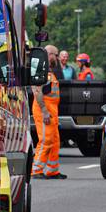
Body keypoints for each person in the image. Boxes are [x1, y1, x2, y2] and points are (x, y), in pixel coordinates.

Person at [33, 45, 66, 180]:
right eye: (56, 55)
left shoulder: (49, 72)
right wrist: (45, 111)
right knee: (46, 140)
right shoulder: (42, 71)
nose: (57, 58)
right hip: (44, 111)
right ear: (49, 55)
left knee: (55, 141)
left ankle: (53, 170)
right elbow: (37, 91)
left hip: (51, 111)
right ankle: (36, 170)